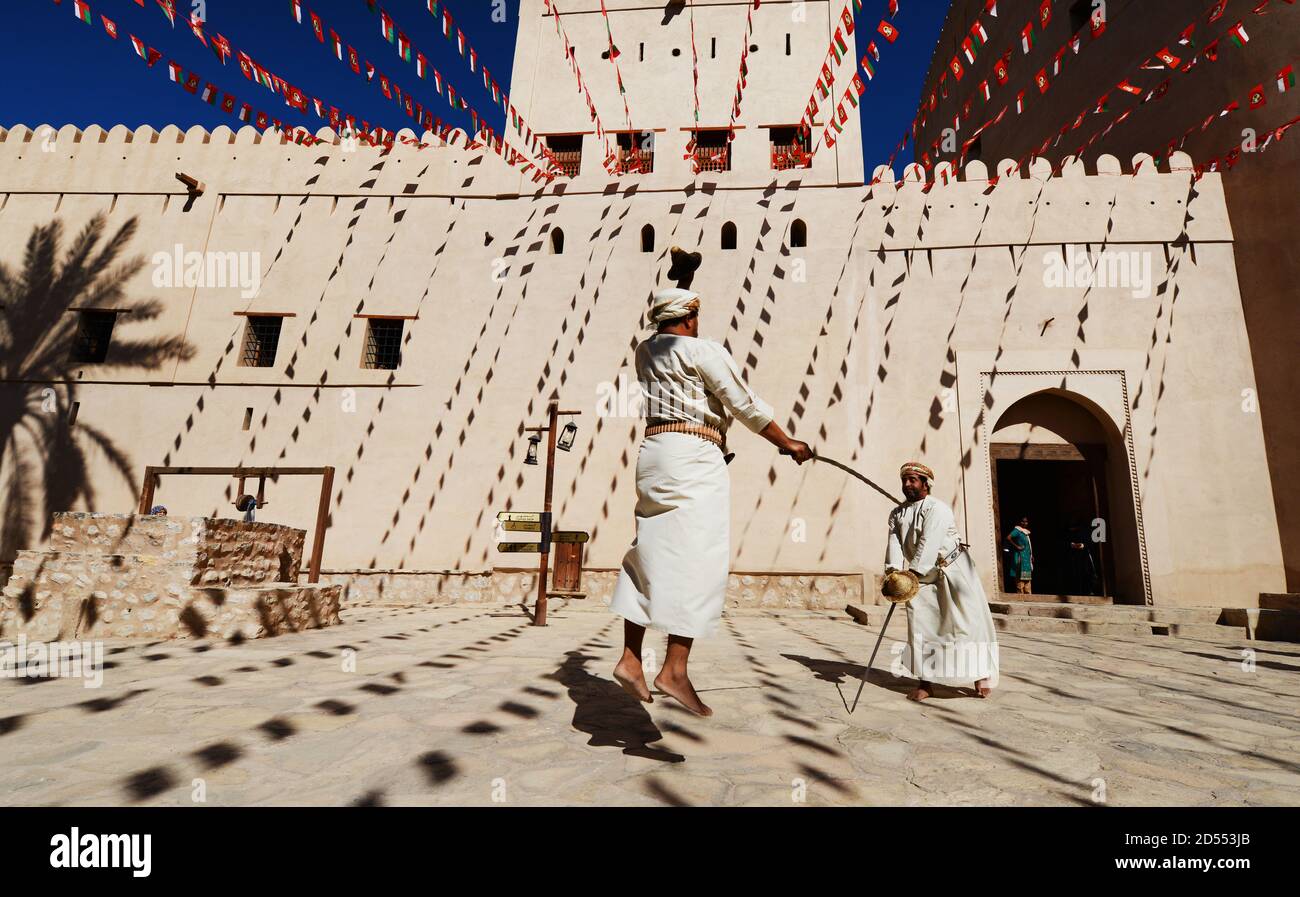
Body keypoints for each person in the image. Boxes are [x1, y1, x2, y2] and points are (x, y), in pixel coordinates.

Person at [610, 285, 812, 717]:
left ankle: (630, 660)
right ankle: (674, 670)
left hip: (654, 453)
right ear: (689, 319)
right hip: (694, 455)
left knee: (648, 551)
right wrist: (788, 442)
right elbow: (745, 404)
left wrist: (679, 277)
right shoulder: (703, 351)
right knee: (699, 557)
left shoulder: (645, 352)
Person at [885, 463, 999, 701]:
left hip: (953, 572)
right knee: (921, 627)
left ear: (926, 484)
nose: (907, 484)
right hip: (920, 578)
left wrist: (912, 574)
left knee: (966, 626)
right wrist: (894, 575)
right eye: (904, 480)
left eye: (913, 480)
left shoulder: (938, 509)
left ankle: (980, 675)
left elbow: (929, 541)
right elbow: (894, 544)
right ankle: (926, 683)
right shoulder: (897, 513)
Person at [1005, 516, 1033, 594]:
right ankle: (1020, 596)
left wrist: (1031, 555)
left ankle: (1028, 595)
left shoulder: (1026, 532)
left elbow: (1028, 545)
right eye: (1023, 521)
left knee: (1027, 577)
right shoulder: (1017, 530)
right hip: (1020, 555)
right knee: (1020, 576)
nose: (1024, 523)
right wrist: (1017, 546)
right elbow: (1008, 538)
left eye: (1026, 521)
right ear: (1019, 522)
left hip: (1027, 557)